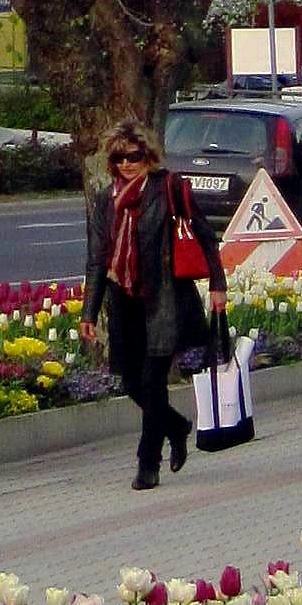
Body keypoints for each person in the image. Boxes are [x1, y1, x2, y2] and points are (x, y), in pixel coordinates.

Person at [84, 121, 223, 494]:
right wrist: (88, 312)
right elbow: (98, 259)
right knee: (130, 380)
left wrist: (218, 285)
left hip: (163, 298)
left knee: (152, 380)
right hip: (123, 299)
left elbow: (206, 237)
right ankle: (176, 427)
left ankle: (149, 464)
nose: (127, 164)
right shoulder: (106, 199)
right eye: (119, 158)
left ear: (149, 158)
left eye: (134, 156)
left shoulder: (169, 189)